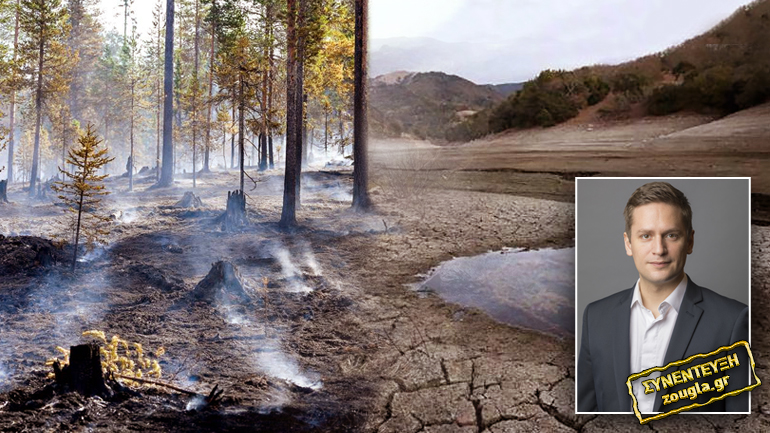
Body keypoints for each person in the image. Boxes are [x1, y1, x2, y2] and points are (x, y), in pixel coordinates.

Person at [577, 181, 748, 413]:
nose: (659, 249)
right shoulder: (596, 318)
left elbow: (740, 422)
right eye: (646, 235)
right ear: (628, 243)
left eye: (671, 235)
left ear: (689, 241)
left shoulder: (732, 321)